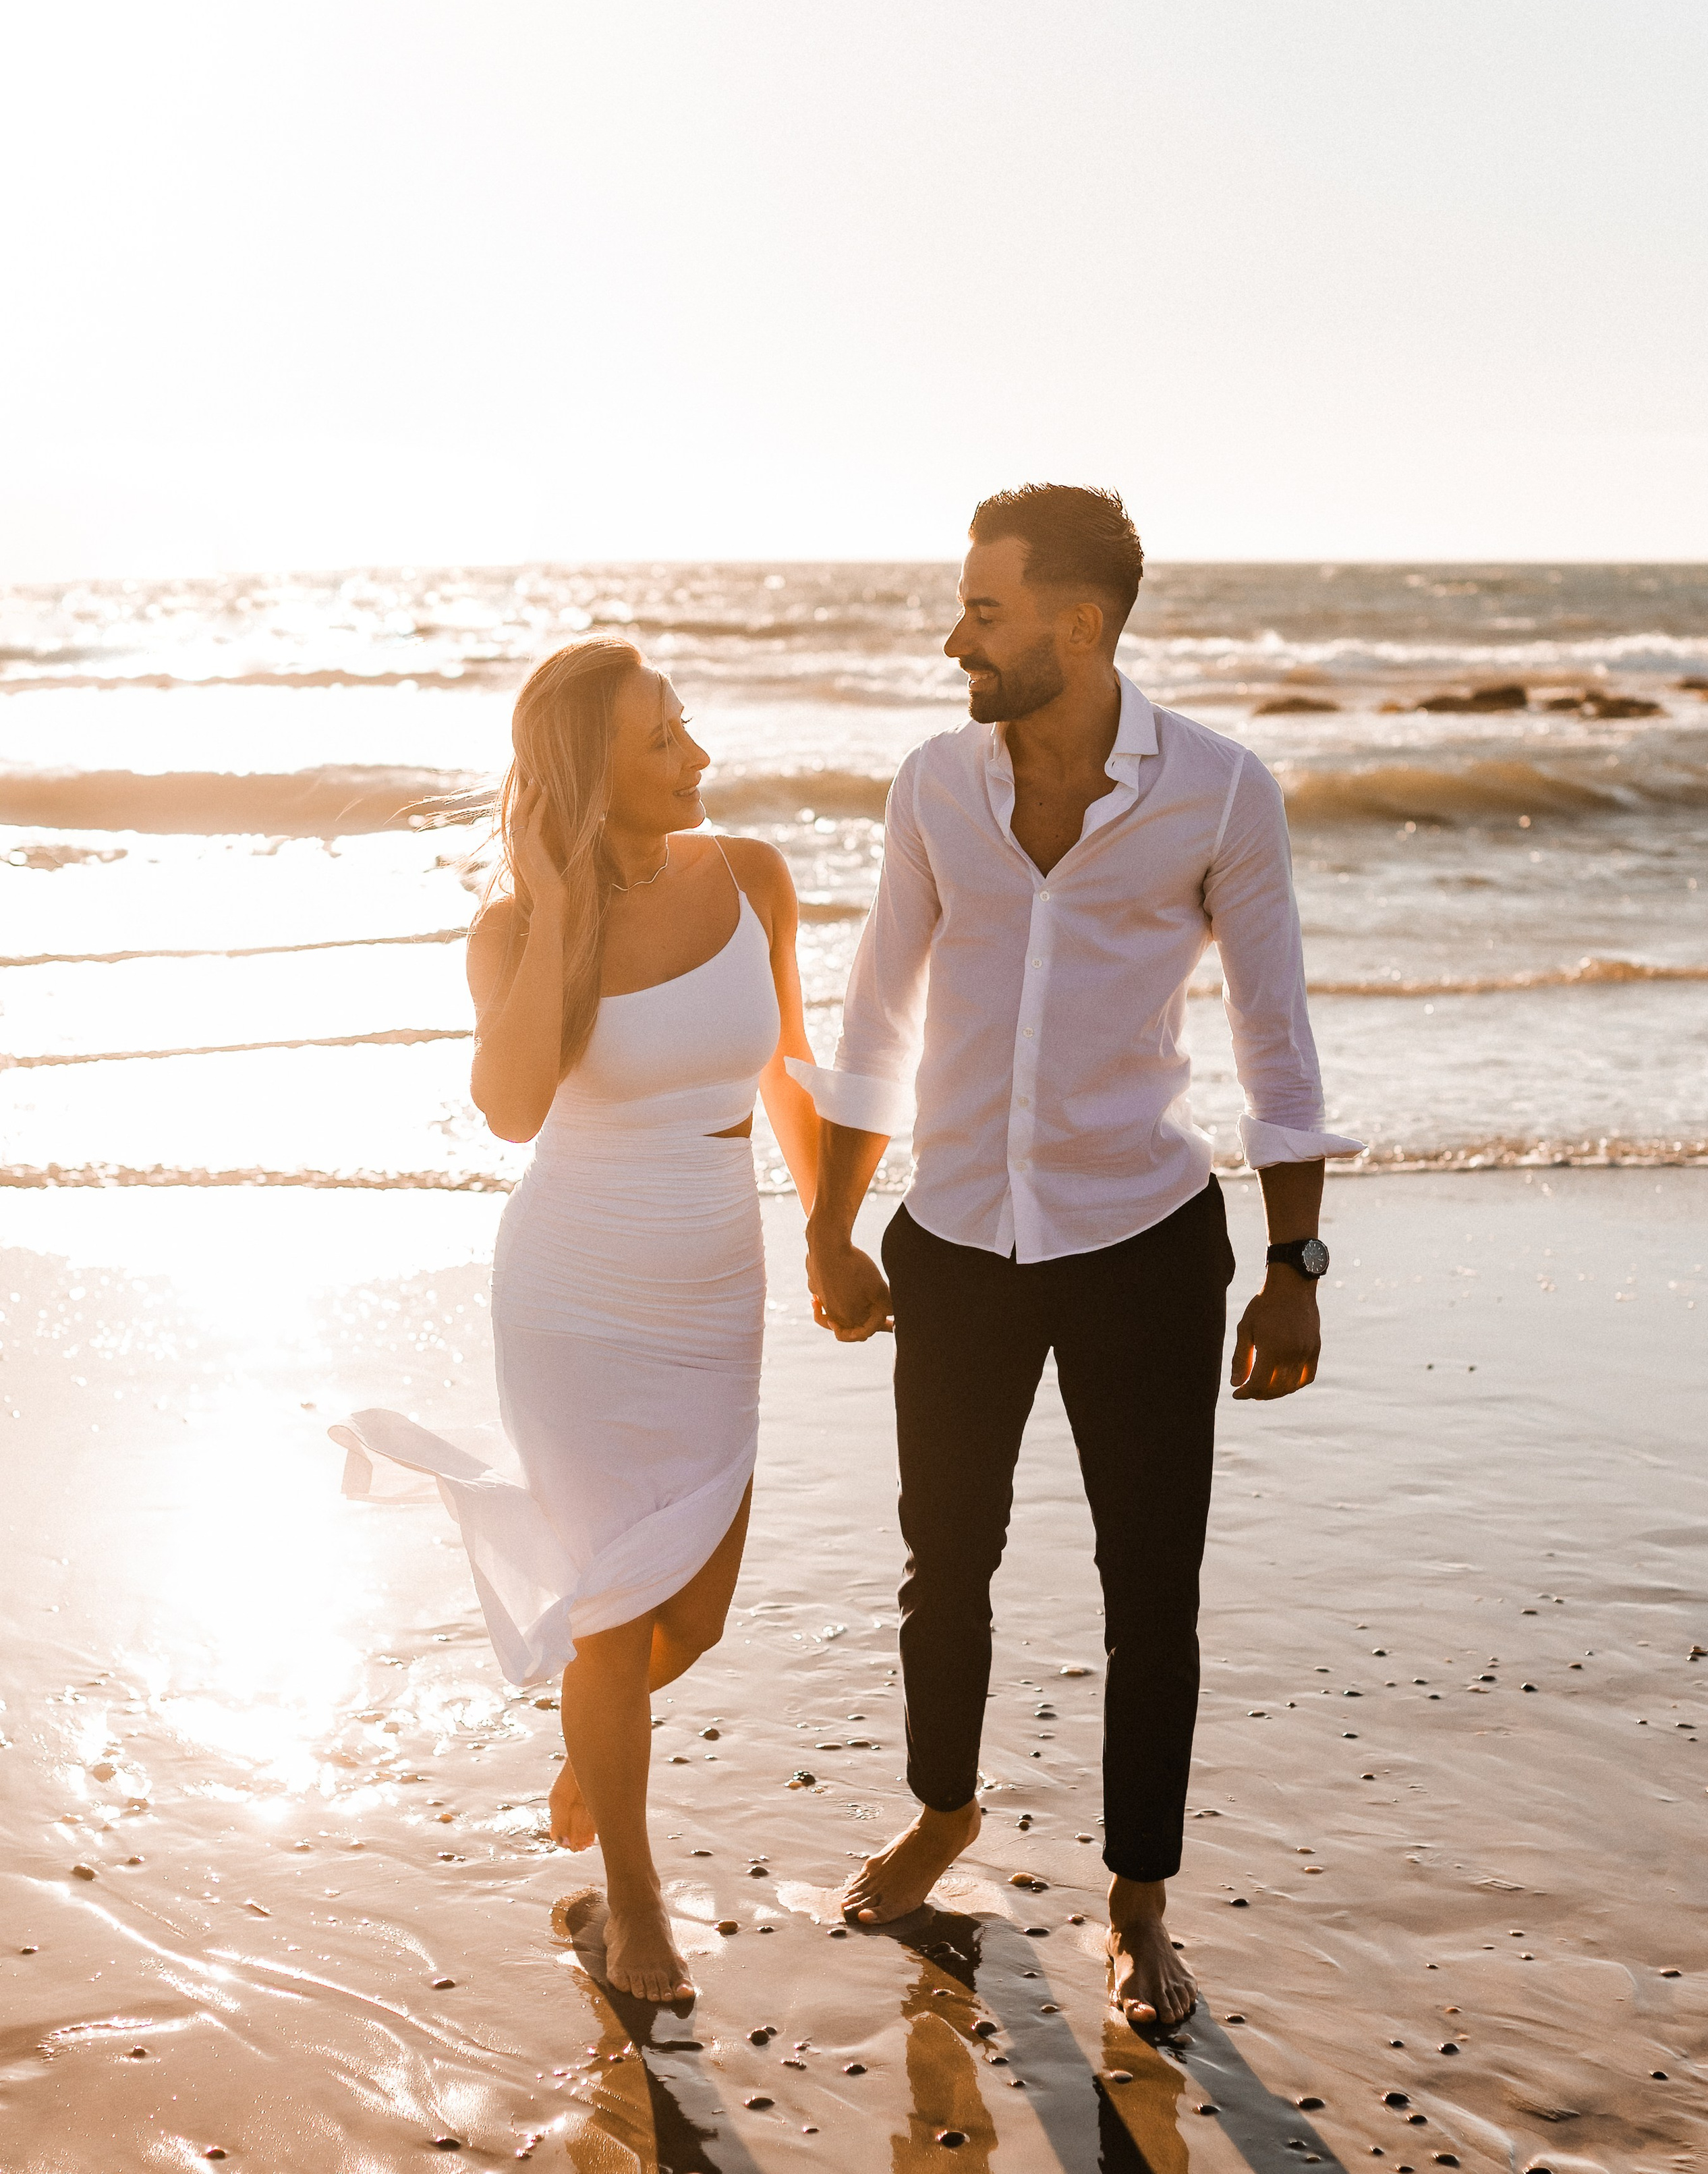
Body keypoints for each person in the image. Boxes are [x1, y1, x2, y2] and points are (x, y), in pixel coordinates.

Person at [795, 485, 1361, 2030]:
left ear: (1076, 625)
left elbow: (1274, 1042)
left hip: (1140, 1241)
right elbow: (871, 1025)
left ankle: (1136, 1904)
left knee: (1149, 1588)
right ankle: (940, 1811)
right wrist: (832, 1227)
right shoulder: (930, 785)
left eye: (980, 611)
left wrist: (1292, 1261)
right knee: (943, 1561)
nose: (953, 637)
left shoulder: (1220, 793)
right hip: (958, 1237)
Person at [333, 639, 820, 2002]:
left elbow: (785, 1071)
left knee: (696, 1612)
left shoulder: (753, 877)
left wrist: (834, 1225)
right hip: (573, 1291)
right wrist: (553, 905)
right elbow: (510, 1109)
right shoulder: (508, 932)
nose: (697, 757)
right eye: (662, 739)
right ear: (588, 772)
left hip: (716, 1281)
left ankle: (586, 1741)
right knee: (614, 1610)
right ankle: (632, 1903)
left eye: (686, 726)